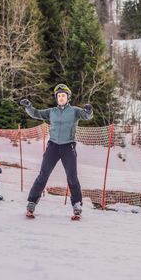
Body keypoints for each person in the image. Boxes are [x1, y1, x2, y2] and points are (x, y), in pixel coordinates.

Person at [19, 83, 93, 219]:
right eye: (59, 96)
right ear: (56, 97)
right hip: (53, 146)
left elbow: (87, 116)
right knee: (43, 175)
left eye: (63, 95)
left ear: (68, 97)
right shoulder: (52, 111)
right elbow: (36, 114)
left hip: (68, 147)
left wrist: (88, 111)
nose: (61, 98)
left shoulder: (74, 111)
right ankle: (31, 203)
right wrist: (28, 106)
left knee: (72, 177)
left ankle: (77, 204)